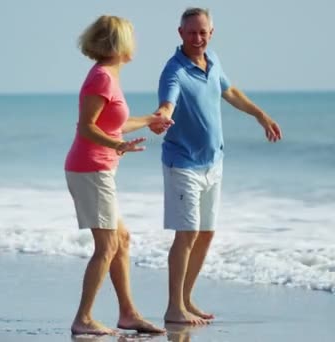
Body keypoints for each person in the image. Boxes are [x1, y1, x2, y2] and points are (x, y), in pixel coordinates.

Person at [149, 8, 283, 325]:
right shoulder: (174, 71)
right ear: (180, 33)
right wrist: (163, 114)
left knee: (206, 234)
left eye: (203, 32)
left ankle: (186, 298)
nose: (198, 38)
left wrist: (260, 115)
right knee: (187, 234)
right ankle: (173, 307)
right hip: (183, 164)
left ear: (211, 33)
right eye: (191, 33)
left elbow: (230, 91)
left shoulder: (213, 61)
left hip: (213, 163)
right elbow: (168, 102)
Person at [65, 15, 173, 336]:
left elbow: (113, 123)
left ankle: (128, 314)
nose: (135, 43)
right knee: (107, 245)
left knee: (120, 240)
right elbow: (87, 126)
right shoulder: (101, 77)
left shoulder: (108, 77)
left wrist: (150, 120)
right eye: (131, 37)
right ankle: (83, 319)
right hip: (90, 168)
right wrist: (117, 145)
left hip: (99, 167)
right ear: (119, 43)